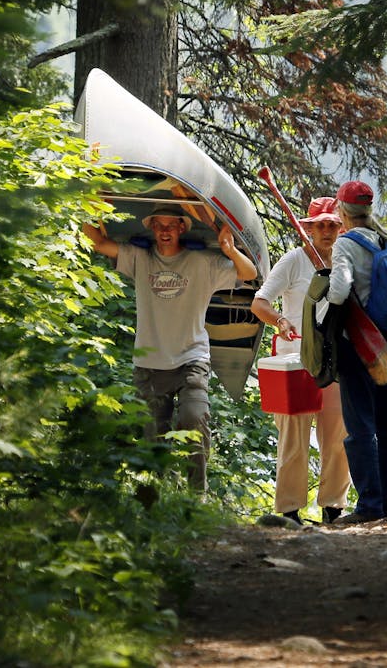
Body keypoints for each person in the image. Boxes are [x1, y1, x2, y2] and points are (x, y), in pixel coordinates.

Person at [83, 204, 258, 489]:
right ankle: (154, 504)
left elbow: (248, 274)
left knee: (194, 417)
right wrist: (86, 201)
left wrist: (230, 249)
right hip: (149, 364)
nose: (165, 231)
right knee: (154, 439)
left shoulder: (203, 262)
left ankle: (196, 494)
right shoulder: (139, 257)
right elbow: (100, 242)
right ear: (152, 229)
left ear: (181, 228)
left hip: (192, 359)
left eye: (170, 225)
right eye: (159, 225)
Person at [250, 196, 351, 525]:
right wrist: (280, 321)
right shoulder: (293, 260)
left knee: (337, 437)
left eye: (332, 225)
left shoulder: (346, 261)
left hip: (336, 362)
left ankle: (333, 508)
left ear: (341, 227)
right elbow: (260, 303)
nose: (326, 231)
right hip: (295, 362)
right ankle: (290, 512)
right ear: (308, 228)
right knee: (293, 438)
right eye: (320, 225)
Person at [326, 180, 387, 524]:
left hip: (359, 343)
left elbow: (340, 288)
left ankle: (369, 507)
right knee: (386, 425)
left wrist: (325, 306)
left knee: (360, 427)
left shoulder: (345, 242)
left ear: (343, 212)